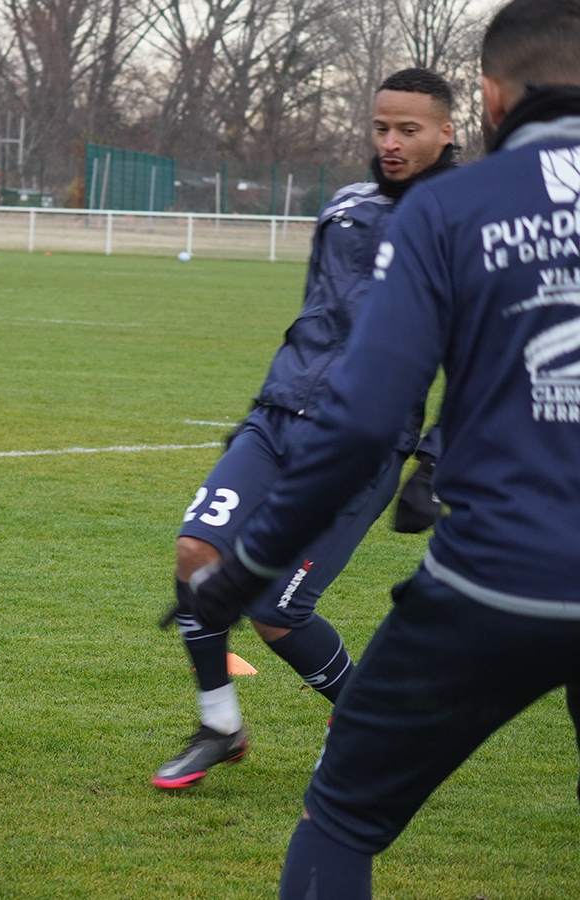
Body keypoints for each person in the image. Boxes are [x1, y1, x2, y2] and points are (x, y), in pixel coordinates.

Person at [179, 0, 580, 894]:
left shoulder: (453, 209)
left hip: (493, 580)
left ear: (486, 99)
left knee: (343, 821)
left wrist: (245, 572)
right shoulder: (385, 204)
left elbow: (362, 419)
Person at [152, 69, 457, 791]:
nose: (389, 142)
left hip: (364, 443)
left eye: (408, 130)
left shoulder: (461, 219)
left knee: (277, 609)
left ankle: (361, 723)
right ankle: (219, 723)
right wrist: (255, 414)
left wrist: (434, 459)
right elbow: (313, 323)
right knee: (196, 553)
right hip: (276, 420)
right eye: (380, 127)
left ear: (447, 131)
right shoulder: (345, 205)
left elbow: (477, 354)